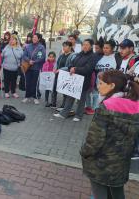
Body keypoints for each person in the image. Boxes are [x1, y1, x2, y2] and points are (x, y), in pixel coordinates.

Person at [81, 70, 139, 199]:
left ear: (112, 86)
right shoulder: (136, 106)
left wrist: (84, 152)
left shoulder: (106, 107)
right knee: (117, 192)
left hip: (101, 162)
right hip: (121, 162)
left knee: (99, 194)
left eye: (101, 83)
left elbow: (94, 140)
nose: (98, 86)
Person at [54, 39, 98, 122]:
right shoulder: (79, 54)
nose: (84, 46)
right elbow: (72, 63)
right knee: (70, 97)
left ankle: (79, 115)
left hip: (84, 81)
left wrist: (75, 69)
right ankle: (64, 113)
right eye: (83, 44)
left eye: (86, 45)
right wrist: (71, 68)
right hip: (74, 80)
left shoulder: (92, 56)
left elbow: (88, 69)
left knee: (81, 99)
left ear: (91, 46)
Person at [21, 33, 46, 104]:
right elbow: (24, 55)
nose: (34, 39)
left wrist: (34, 62)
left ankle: (35, 97)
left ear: (39, 39)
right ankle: (27, 96)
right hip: (28, 67)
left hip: (36, 68)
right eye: (33, 37)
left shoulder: (41, 47)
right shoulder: (28, 46)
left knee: (35, 83)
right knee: (27, 82)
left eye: (36, 37)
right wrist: (29, 61)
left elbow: (42, 57)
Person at [50, 41, 75, 108]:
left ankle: (64, 105)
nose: (64, 47)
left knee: (65, 91)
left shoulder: (73, 55)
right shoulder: (61, 55)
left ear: (70, 47)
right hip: (57, 74)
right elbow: (57, 63)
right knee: (54, 88)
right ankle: (53, 103)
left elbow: (70, 66)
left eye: (65, 46)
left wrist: (60, 70)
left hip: (66, 75)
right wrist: (55, 68)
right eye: (63, 46)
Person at [85, 39, 105, 115]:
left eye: (97, 48)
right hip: (91, 77)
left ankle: (94, 108)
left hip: (98, 79)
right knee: (87, 93)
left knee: (95, 94)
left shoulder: (103, 57)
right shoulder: (94, 55)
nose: (95, 50)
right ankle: (88, 106)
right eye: (95, 48)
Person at [1, 34, 23, 98]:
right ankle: (6, 92)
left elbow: (21, 57)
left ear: (16, 40)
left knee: (14, 81)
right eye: (10, 39)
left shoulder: (19, 48)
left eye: (13, 39)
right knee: (6, 80)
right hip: (6, 67)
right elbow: (2, 55)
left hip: (15, 68)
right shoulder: (6, 47)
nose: (11, 41)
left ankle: (13, 92)